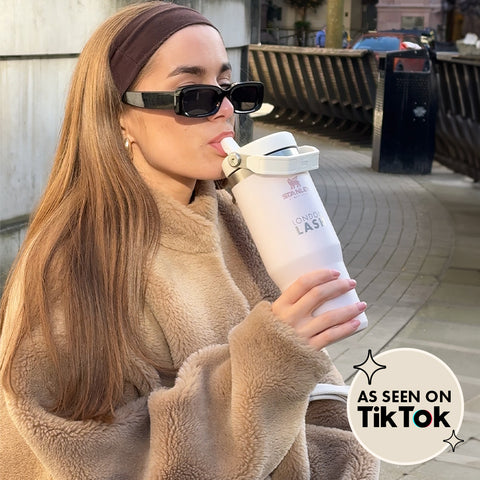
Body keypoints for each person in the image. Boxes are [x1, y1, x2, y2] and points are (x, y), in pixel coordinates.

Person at [0, 2, 380, 479]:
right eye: (192, 94)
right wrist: (268, 364)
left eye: (230, 88)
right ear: (120, 115)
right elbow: (85, 454)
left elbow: (319, 396)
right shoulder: (73, 262)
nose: (224, 111)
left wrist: (349, 451)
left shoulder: (238, 216)